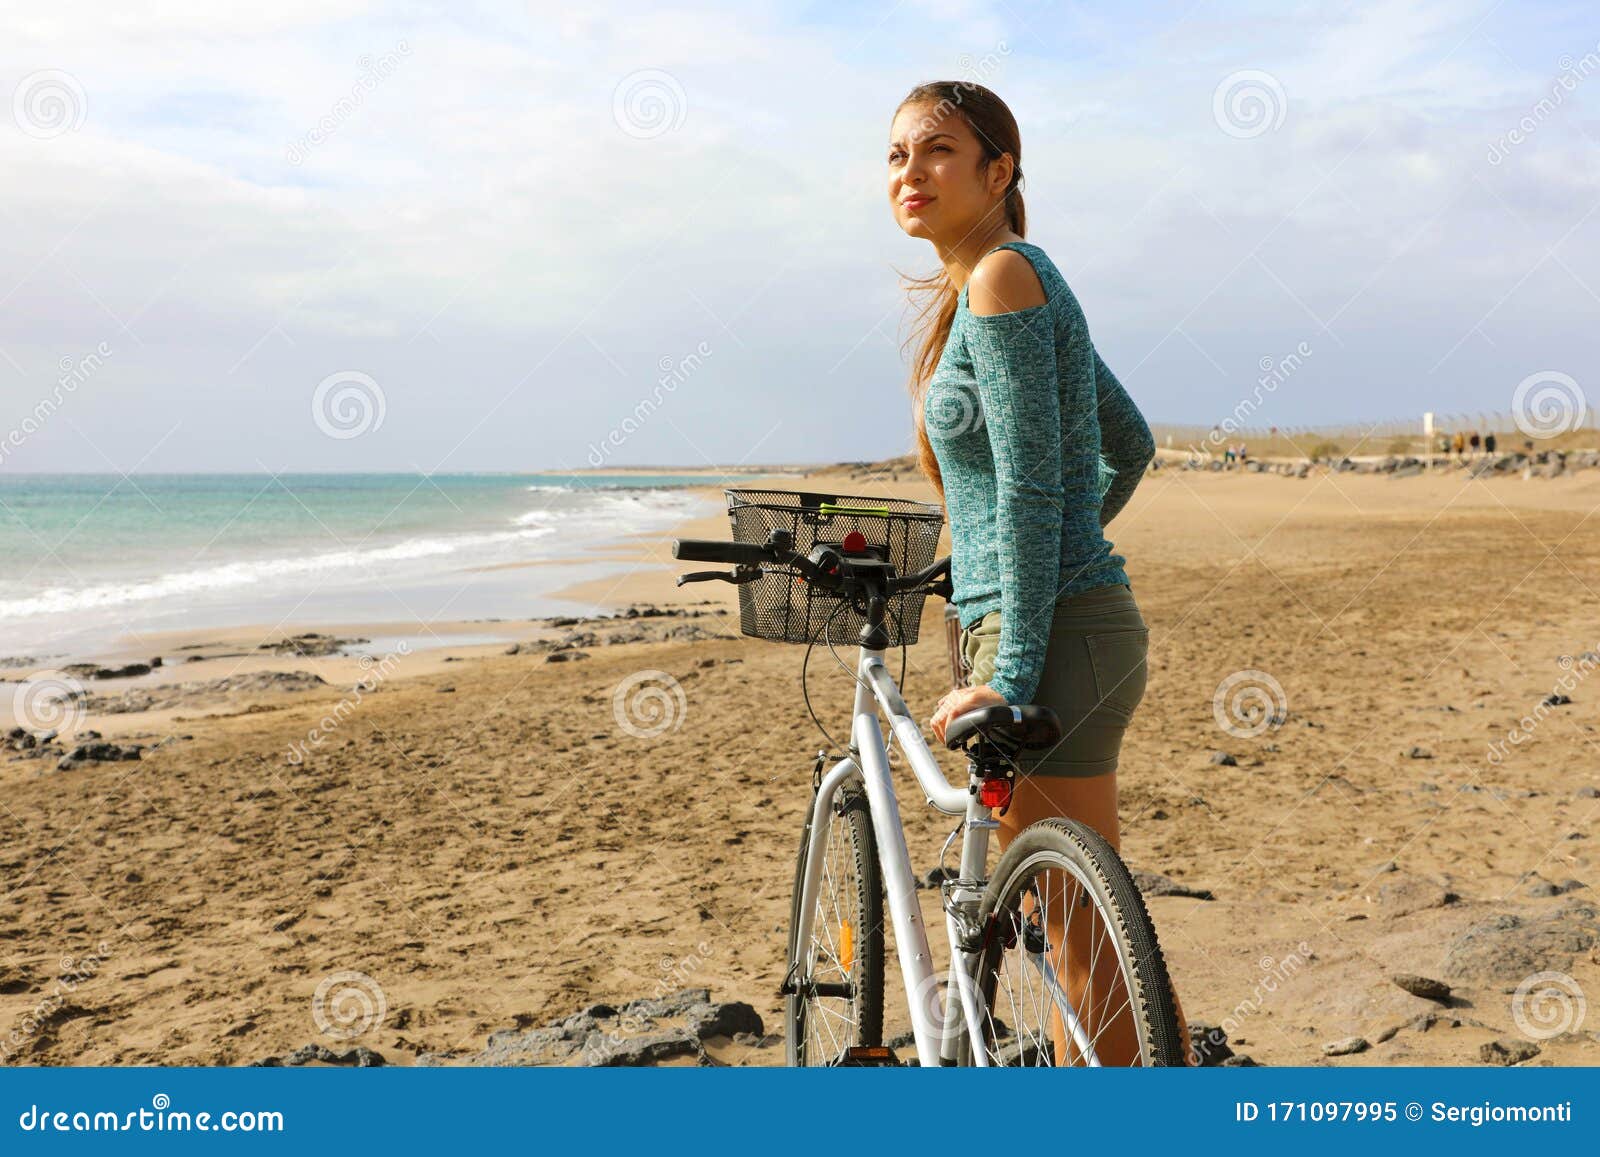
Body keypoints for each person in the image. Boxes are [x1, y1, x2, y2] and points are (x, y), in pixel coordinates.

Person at [889, 80, 1193, 1067]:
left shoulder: (1000, 282)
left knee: (1078, 945)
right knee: (1085, 941)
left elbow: (1024, 491)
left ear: (998, 170)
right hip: (1059, 613)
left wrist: (1011, 667)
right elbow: (1130, 443)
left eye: (935, 150)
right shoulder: (1010, 280)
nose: (909, 173)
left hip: (1053, 637)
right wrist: (1048, 556)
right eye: (895, 156)